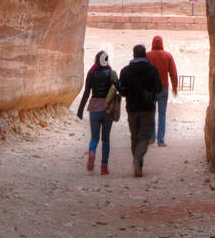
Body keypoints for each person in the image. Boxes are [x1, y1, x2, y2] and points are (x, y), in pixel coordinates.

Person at [118, 44, 162, 177]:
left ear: (134, 54)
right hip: (147, 108)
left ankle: (137, 163)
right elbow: (159, 88)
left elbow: (122, 91)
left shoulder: (125, 71)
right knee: (144, 137)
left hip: (132, 109)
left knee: (134, 137)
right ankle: (137, 160)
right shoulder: (152, 70)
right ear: (145, 55)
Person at [76, 50, 119, 174]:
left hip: (94, 107)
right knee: (105, 139)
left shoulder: (91, 73)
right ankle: (104, 167)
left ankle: (92, 152)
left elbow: (86, 93)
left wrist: (80, 111)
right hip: (107, 108)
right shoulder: (112, 73)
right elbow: (118, 88)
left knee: (94, 137)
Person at [146, 34, 178, 146]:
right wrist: (175, 87)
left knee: (151, 113)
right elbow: (173, 73)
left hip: (150, 88)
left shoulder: (147, 56)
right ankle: (161, 140)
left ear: (152, 43)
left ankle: (151, 138)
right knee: (162, 114)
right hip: (163, 88)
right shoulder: (168, 56)